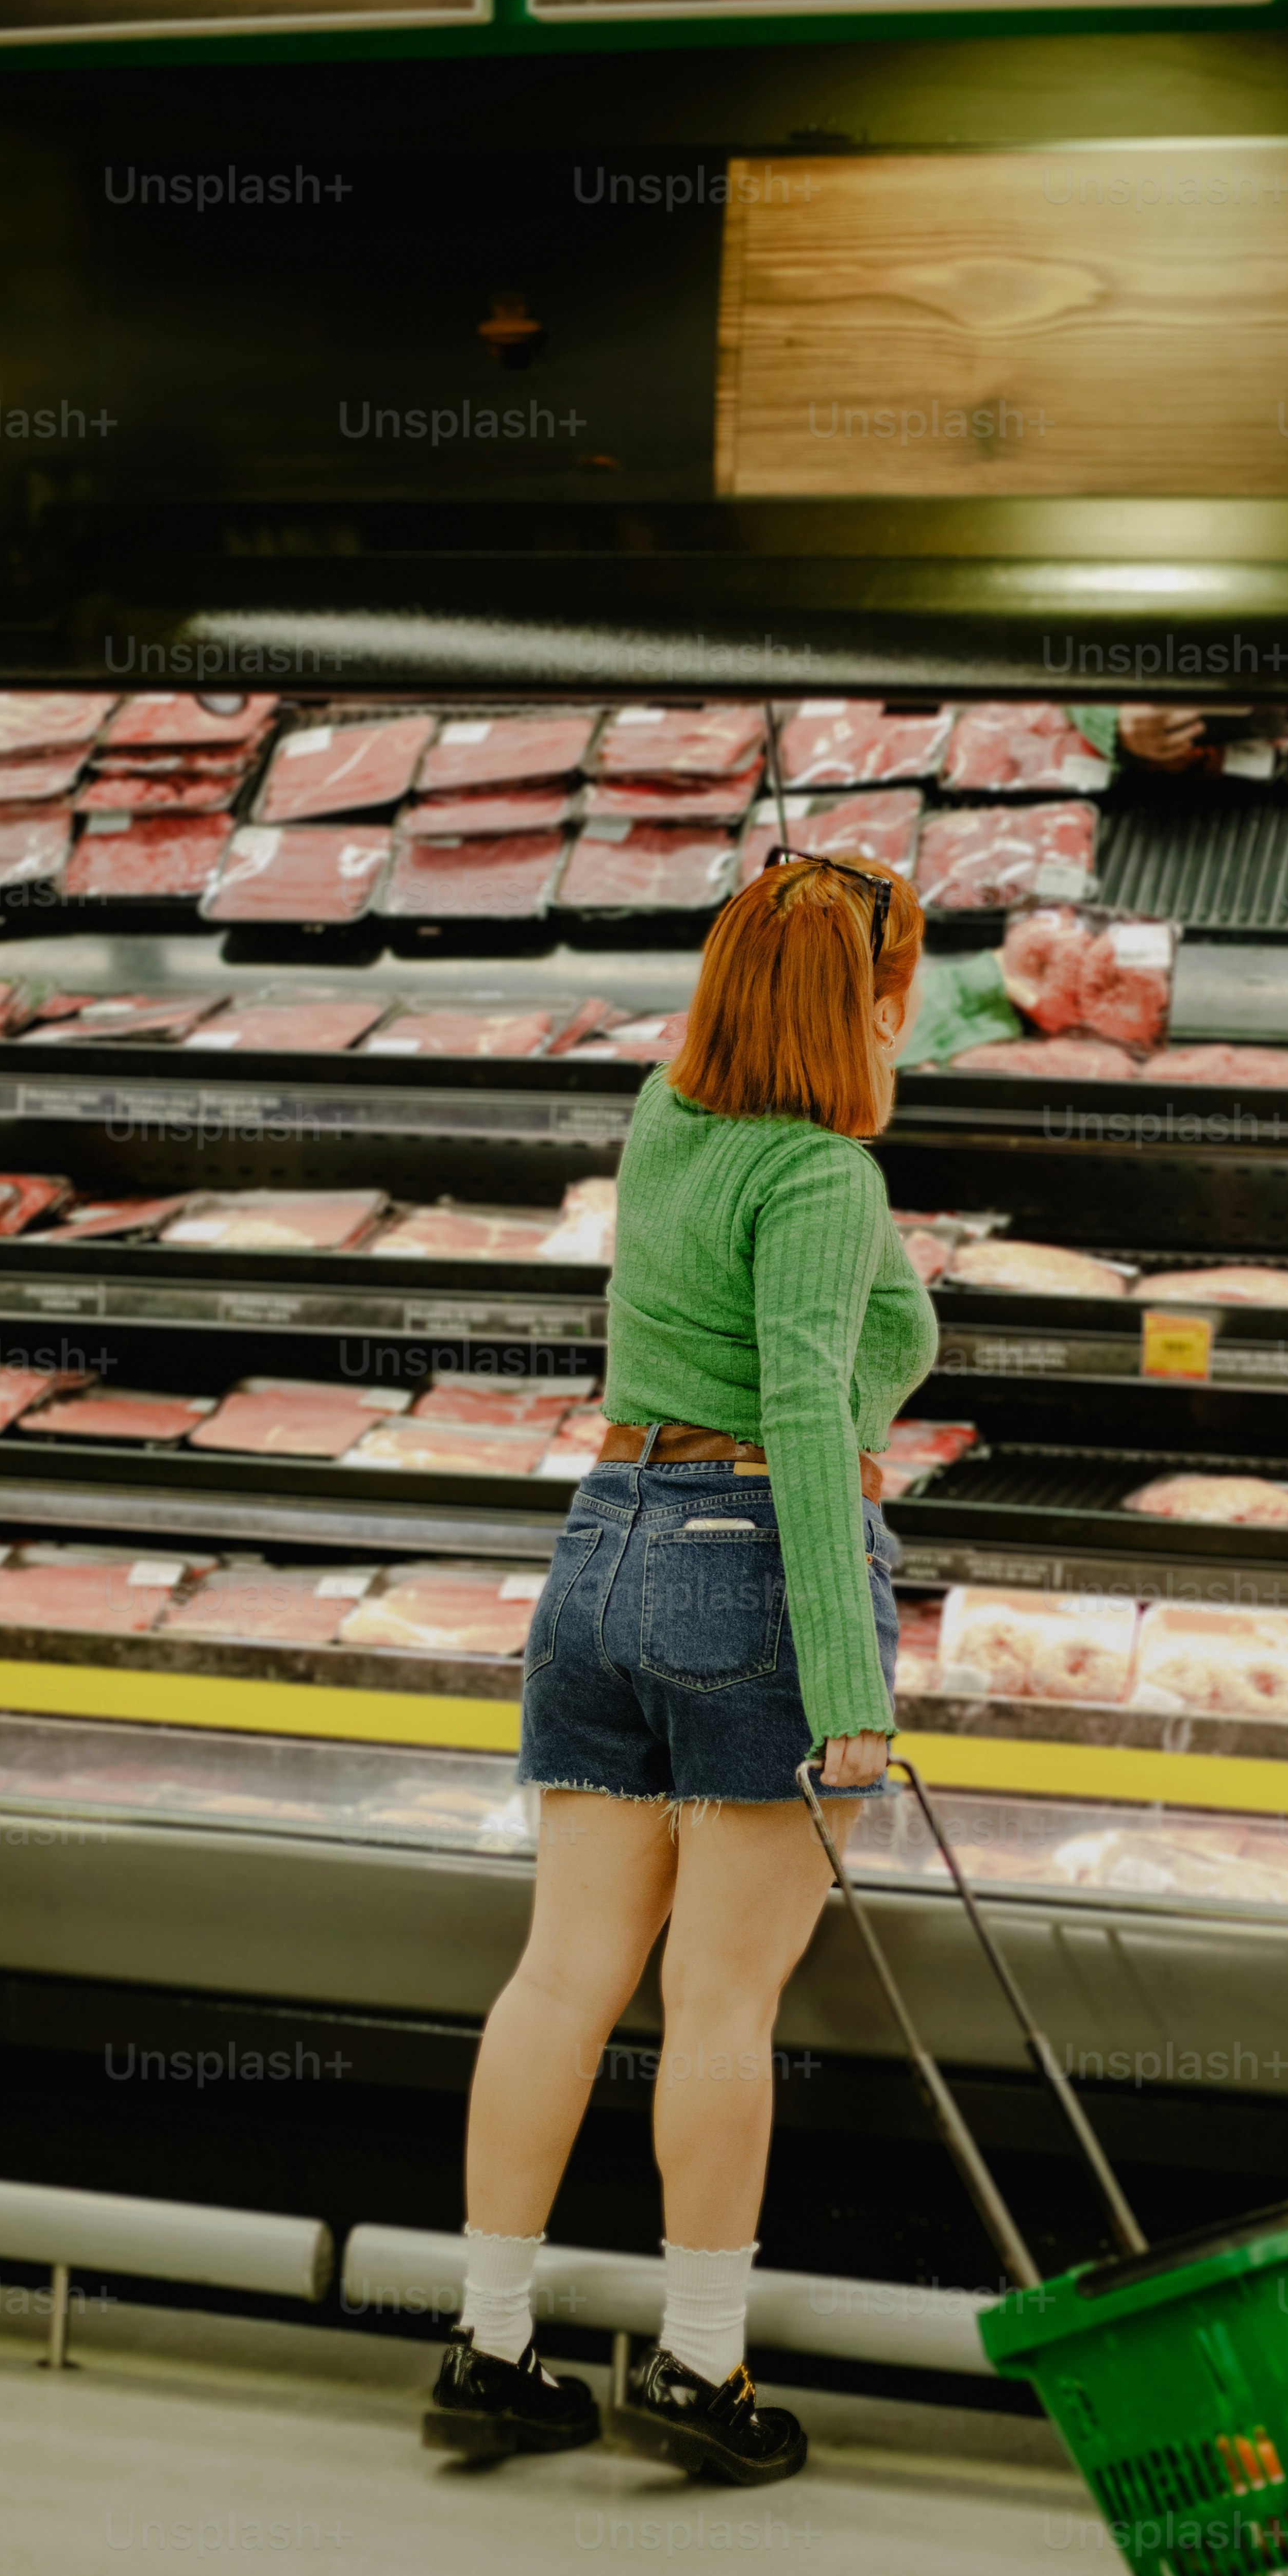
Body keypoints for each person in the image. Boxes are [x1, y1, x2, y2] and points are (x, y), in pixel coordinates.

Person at [428, 849, 935, 2485]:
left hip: (601, 1549)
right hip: (752, 1576)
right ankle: (697, 2373)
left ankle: (488, 2348)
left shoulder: (668, 1112)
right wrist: (851, 1691)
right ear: (869, 1003)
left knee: (559, 1981)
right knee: (718, 2001)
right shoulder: (818, 1179)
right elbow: (802, 1412)